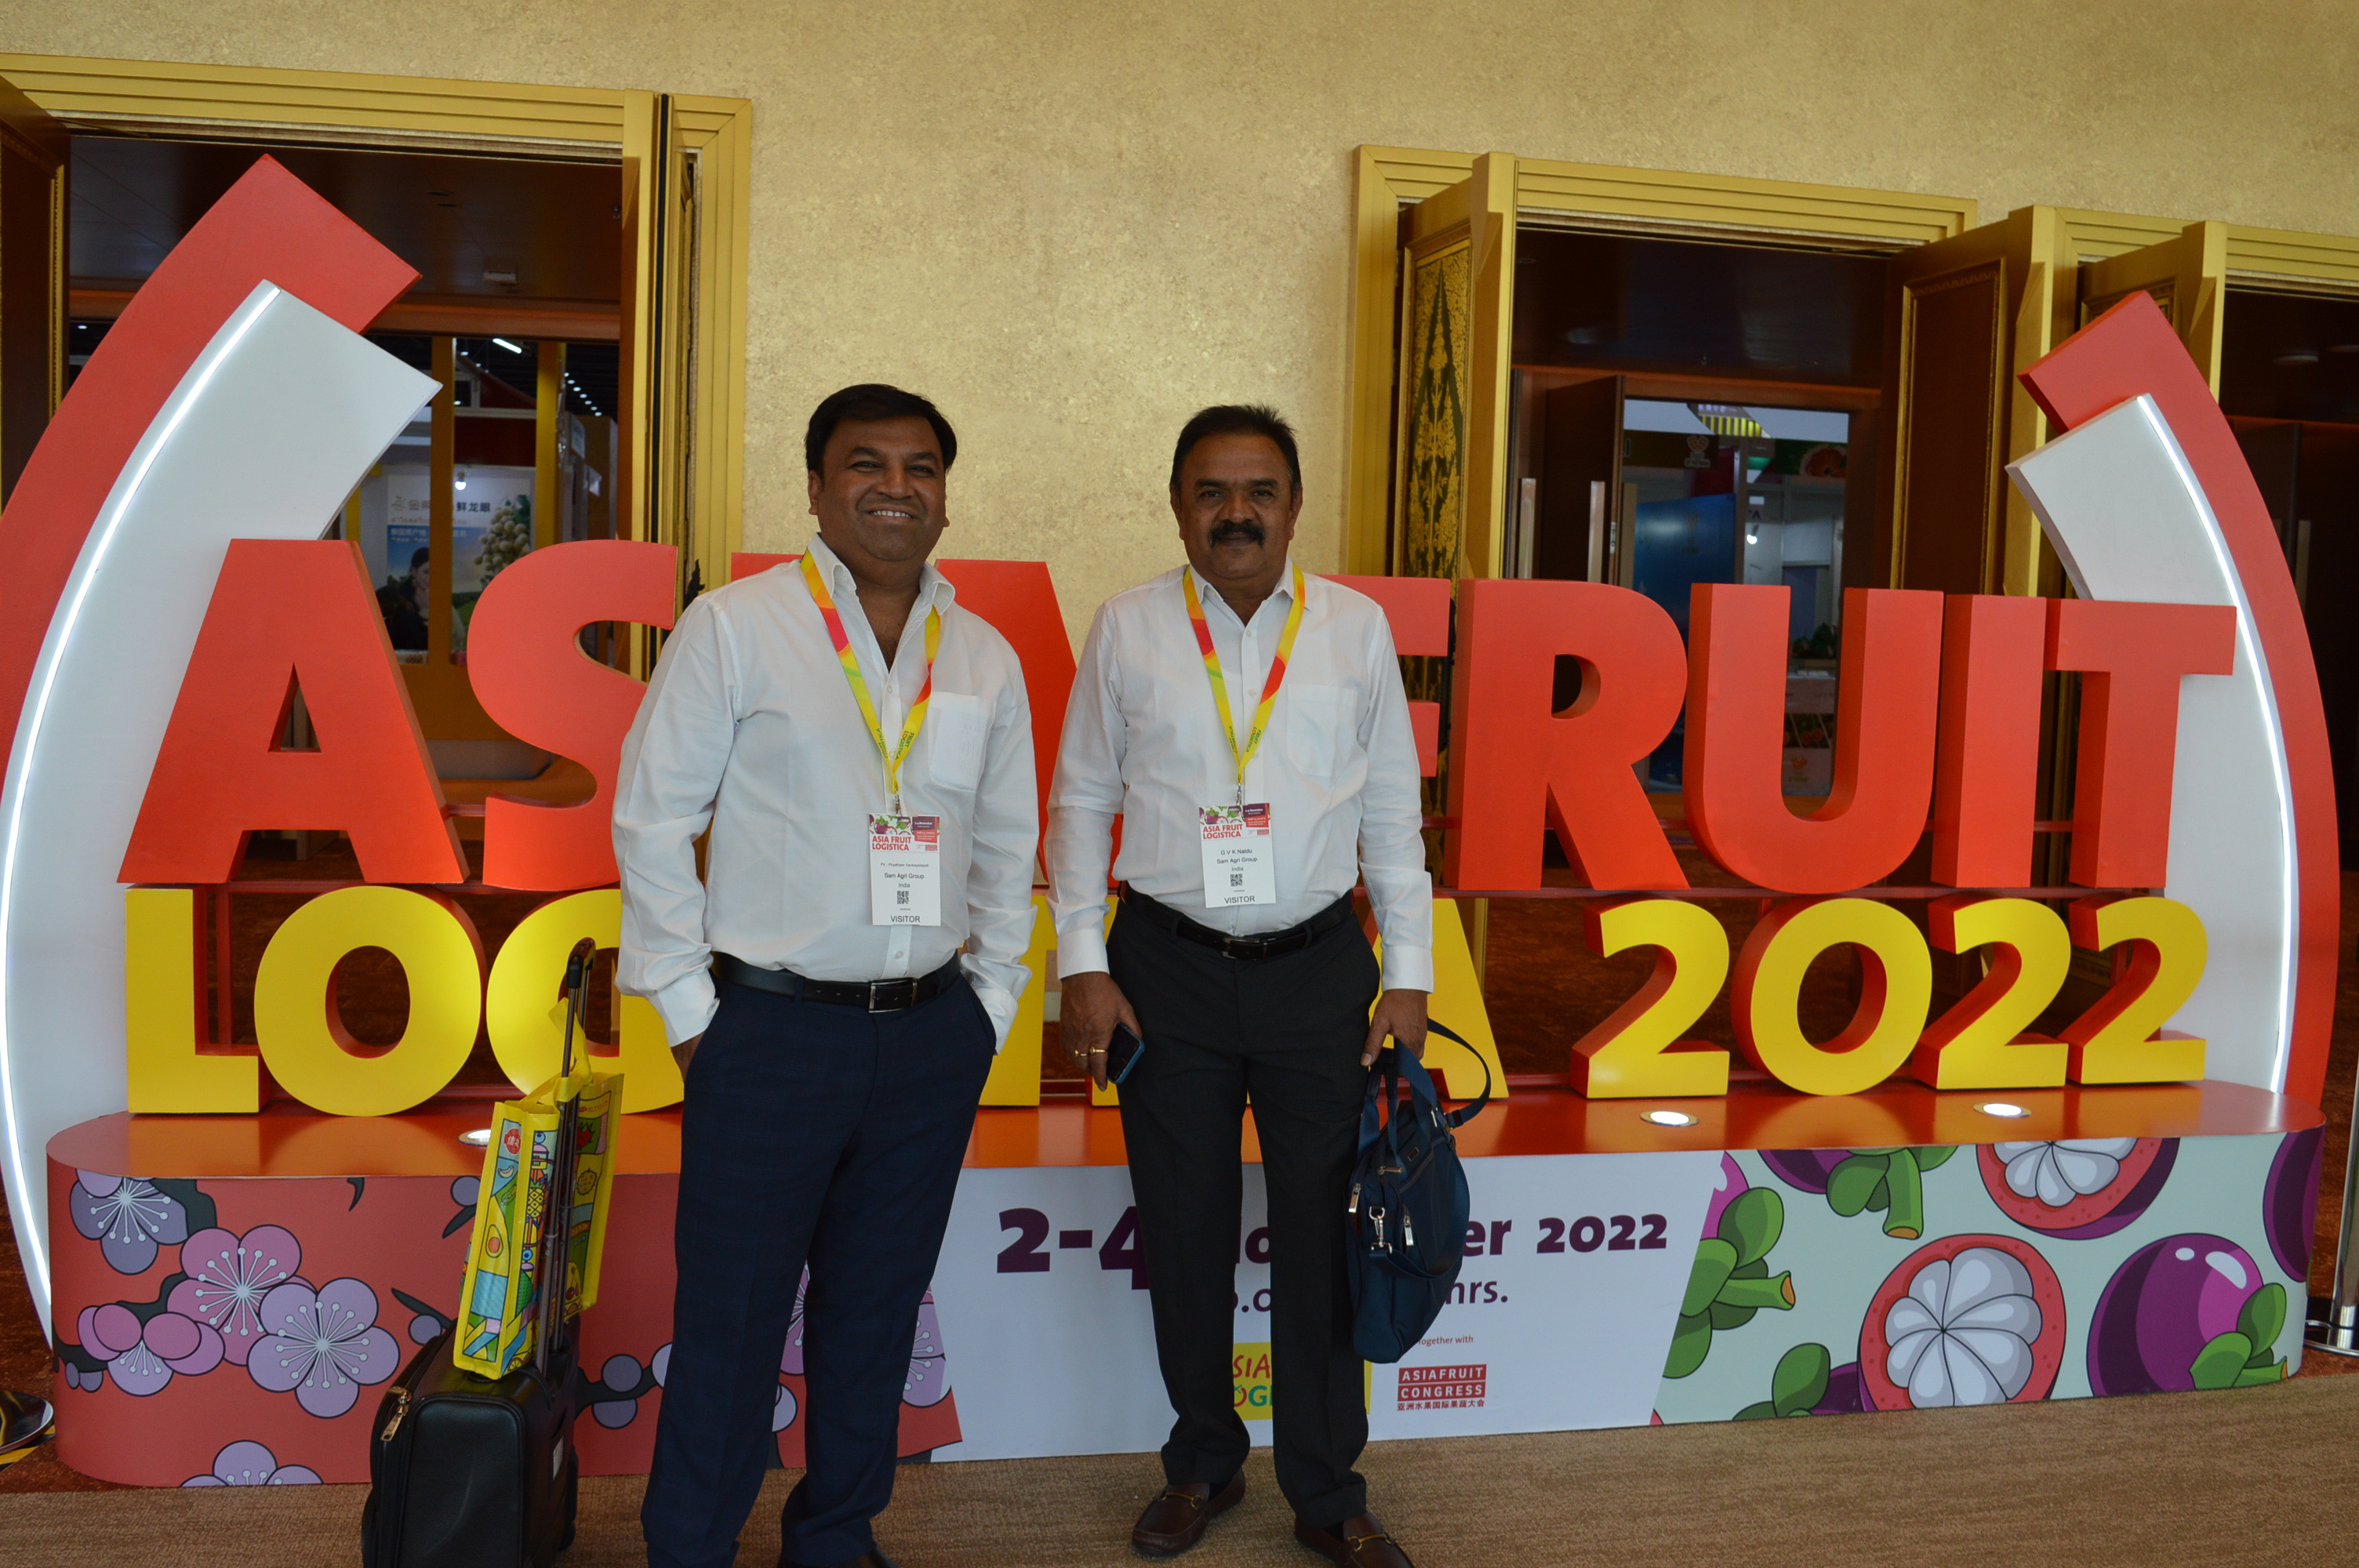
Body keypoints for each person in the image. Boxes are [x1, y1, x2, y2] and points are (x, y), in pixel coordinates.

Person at [616, 384, 1038, 1568]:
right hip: (770, 1033)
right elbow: (652, 819)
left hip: (931, 1036)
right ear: (815, 487)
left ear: (945, 496)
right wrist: (693, 1015)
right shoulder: (736, 627)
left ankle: (836, 1539)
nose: (896, 487)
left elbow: (1008, 846)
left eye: (921, 467)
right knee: (733, 1321)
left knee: (876, 1314)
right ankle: (689, 1550)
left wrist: (993, 1002)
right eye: (866, 464)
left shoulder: (984, 656)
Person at [1048, 405, 1432, 1568]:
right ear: (1178, 508)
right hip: (1164, 968)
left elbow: (1392, 814)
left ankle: (1326, 1488)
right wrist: (1082, 963)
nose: (1237, 513)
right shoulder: (1127, 627)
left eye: (1260, 490)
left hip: (1321, 972)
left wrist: (1409, 973)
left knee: (1327, 1236)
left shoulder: (1356, 629)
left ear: (1295, 507)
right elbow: (1081, 801)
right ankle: (1203, 1464)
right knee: (1184, 1227)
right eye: (1212, 491)